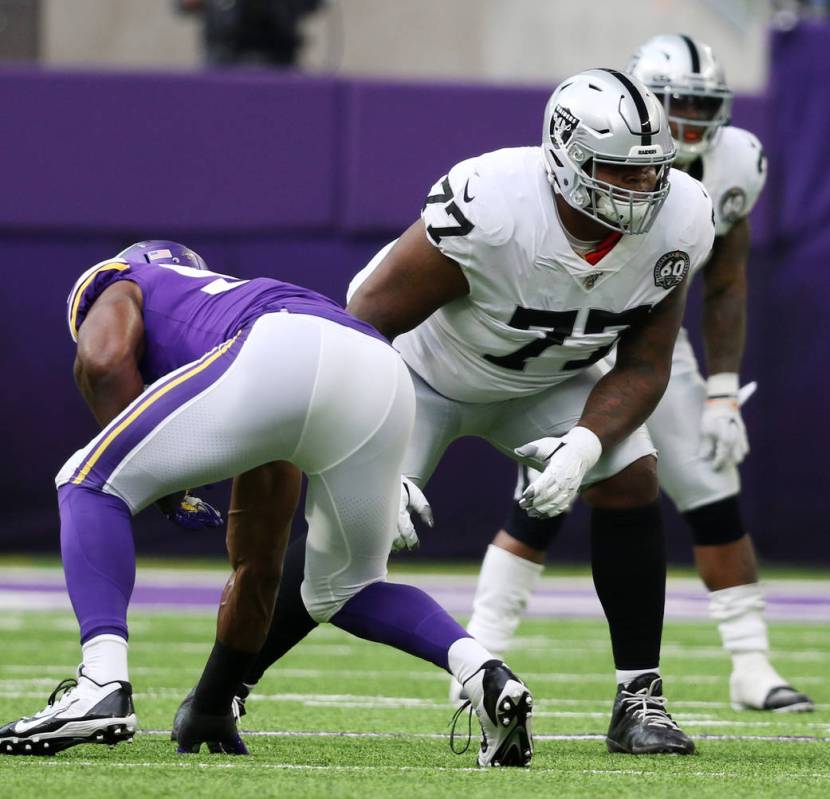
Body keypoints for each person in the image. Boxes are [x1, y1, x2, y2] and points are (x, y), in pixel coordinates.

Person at [181, 67, 716, 756]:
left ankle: (638, 698)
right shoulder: (493, 205)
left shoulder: (681, 217)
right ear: (567, 157)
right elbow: (361, 326)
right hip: (416, 378)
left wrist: (584, 443)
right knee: (339, 555)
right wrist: (366, 454)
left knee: (630, 474)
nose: (644, 189)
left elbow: (645, 364)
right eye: (620, 171)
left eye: (652, 172)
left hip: (552, 381)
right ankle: (218, 692)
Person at [0, 241, 534, 766]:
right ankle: (483, 673)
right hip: (380, 369)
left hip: (279, 351)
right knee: (344, 587)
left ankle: (100, 683)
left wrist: (162, 489)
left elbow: (101, 361)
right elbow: (259, 568)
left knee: (86, 482)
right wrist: (215, 697)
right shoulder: (228, 314)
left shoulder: (124, 281)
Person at [455, 34, 813, 714]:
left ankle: (751, 665)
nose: (686, 124)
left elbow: (727, 280)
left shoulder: (734, 162)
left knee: (710, 487)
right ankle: (479, 646)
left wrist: (721, 391)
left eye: (701, 107)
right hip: (565, 332)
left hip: (649, 339)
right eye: (674, 104)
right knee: (539, 495)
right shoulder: (577, 159)